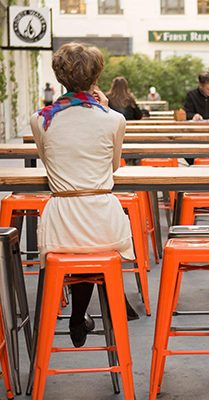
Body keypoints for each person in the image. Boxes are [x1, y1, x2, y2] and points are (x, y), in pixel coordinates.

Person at [30, 42, 135, 348]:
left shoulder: (41, 119)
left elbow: (49, 162)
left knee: (76, 240)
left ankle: (78, 315)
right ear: (96, 77)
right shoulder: (114, 119)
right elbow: (113, 166)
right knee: (92, 239)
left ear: (60, 76)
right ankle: (96, 310)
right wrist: (104, 107)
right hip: (103, 220)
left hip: (60, 222)